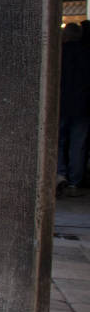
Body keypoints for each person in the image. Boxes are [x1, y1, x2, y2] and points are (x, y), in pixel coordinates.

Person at [58, 23, 90, 196]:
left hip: (61, 104)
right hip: (82, 106)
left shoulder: (59, 53)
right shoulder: (87, 53)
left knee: (59, 141)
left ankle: (60, 173)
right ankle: (74, 182)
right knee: (78, 144)